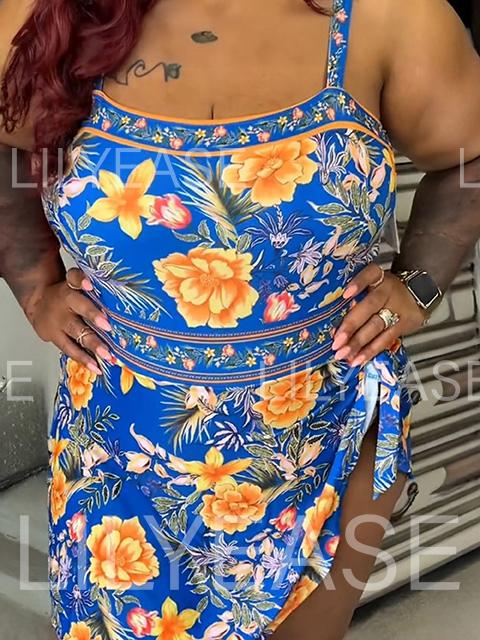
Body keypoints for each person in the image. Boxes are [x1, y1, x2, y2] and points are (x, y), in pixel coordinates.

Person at [1, 1, 480, 639]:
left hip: (320, 439)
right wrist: (36, 288)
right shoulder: (50, 13)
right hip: (116, 451)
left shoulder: (387, 16)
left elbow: (469, 156)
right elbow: (5, 153)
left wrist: (418, 285)